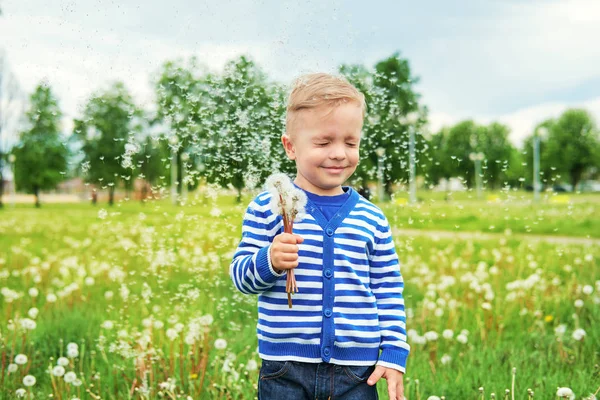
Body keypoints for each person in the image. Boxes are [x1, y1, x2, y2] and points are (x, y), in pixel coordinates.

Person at [230, 73, 409, 400]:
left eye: (350, 142)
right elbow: (241, 277)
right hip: (285, 369)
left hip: (357, 373)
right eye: (324, 142)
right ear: (291, 147)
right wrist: (269, 260)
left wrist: (394, 352)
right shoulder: (271, 206)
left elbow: (387, 288)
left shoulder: (372, 218)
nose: (340, 153)